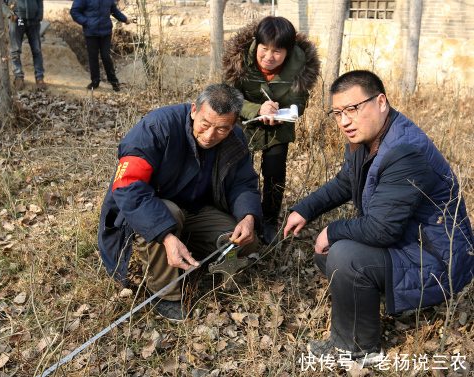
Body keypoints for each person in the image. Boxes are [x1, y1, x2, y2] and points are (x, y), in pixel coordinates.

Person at [283, 70, 474, 365]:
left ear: (381, 102)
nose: (344, 120)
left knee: (344, 255)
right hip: (411, 244)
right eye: (337, 113)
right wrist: (304, 210)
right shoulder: (368, 138)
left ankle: (356, 350)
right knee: (330, 254)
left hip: (437, 260)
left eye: (353, 109)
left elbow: (381, 230)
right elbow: (345, 183)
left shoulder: (405, 151)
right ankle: (374, 302)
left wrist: (332, 230)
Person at [98, 84, 262, 321]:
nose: (209, 136)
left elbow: (243, 183)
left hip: (196, 209)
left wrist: (248, 216)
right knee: (168, 217)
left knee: (246, 242)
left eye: (221, 129)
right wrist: (165, 236)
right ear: (194, 110)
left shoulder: (236, 138)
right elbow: (128, 186)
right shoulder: (156, 127)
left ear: (235, 123)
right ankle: (165, 293)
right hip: (152, 210)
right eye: (205, 125)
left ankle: (184, 251)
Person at [222, 16, 320, 245]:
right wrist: (257, 109)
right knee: (236, 171)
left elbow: (299, 103)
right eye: (264, 49)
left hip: (278, 128)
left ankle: (269, 220)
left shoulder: (301, 65)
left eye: (277, 52)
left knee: (275, 173)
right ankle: (234, 214)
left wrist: (282, 113)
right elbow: (228, 97)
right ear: (257, 43)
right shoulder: (238, 60)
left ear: (289, 50)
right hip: (241, 125)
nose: (268, 57)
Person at [70, 0, 133, 92]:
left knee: (106, 56)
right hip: (91, 32)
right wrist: (87, 22)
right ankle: (95, 81)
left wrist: (125, 19)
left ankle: (114, 82)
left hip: (106, 31)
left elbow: (114, 10)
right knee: (93, 57)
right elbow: (74, 12)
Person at [2, 0, 47, 91]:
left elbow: (40, 2)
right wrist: (10, 14)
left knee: (37, 50)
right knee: (15, 50)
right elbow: (2, 2)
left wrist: (39, 17)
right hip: (17, 19)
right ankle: (18, 77)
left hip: (33, 21)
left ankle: (39, 77)